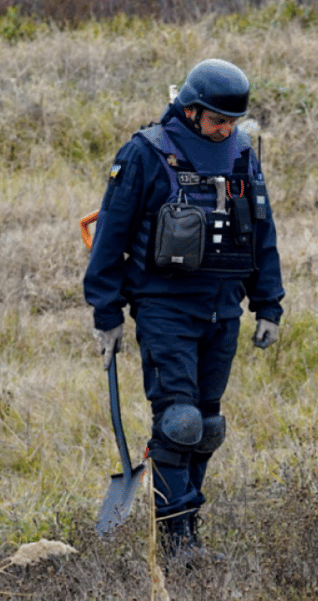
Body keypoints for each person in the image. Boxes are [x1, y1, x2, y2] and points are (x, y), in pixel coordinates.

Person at [84, 58, 284, 561]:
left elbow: (261, 232)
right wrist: (106, 315)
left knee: (208, 427)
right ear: (191, 110)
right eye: (218, 119)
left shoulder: (241, 154)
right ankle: (176, 543)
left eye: (232, 121)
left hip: (223, 308)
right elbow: (109, 238)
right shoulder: (145, 154)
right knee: (179, 421)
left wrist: (269, 304)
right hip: (163, 307)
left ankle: (188, 527)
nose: (226, 129)